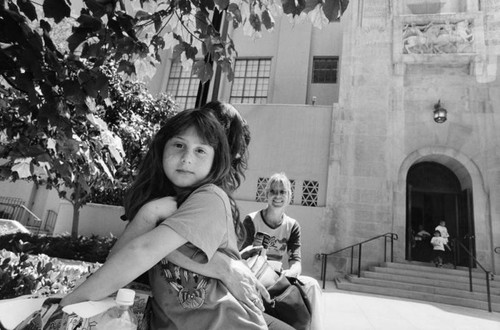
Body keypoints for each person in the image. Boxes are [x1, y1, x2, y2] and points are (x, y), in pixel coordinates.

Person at [60, 109, 269, 329]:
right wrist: (149, 213)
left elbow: (142, 251)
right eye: (179, 145)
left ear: (216, 161)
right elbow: (119, 261)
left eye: (200, 150)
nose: (187, 158)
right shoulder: (164, 204)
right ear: (162, 148)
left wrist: (71, 302)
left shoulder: (210, 198)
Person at [107, 103, 294, 330]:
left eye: (205, 146)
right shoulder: (163, 194)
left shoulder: (210, 197)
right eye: (182, 142)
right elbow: (138, 251)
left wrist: (227, 265)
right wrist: (221, 266)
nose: (191, 156)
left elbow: (161, 247)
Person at [241, 172, 324, 330]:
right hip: (255, 276)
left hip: (279, 278)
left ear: (289, 196)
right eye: (273, 191)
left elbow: (296, 263)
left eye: (282, 192)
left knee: (312, 285)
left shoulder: (292, 225)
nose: (277, 196)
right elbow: (241, 258)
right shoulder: (251, 220)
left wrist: (291, 272)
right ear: (266, 194)